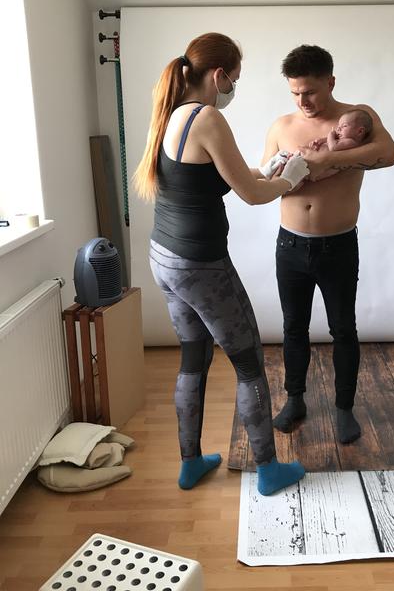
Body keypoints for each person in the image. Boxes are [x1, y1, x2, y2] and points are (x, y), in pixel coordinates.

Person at [133, 32, 309, 495]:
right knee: (249, 362)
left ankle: (190, 463)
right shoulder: (208, 117)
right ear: (218, 76)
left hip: (165, 258)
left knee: (194, 357)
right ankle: (269, 470)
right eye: (234, 79)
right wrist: (288, 180)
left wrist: (268, 168)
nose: (233, 88)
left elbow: (225, 175)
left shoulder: (172, 114)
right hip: (201, 266)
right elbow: (251, 196)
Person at [260, 44, 394, 443]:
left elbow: (389, 153)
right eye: (295, 93)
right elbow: (265, 180)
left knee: (343, 329)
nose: (302, 101)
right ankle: (294, 400)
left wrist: (328, 160)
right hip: (290, 245)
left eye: (310, 92)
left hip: (337, 245)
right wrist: (286, 173)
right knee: (293, 328)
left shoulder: (356, 119)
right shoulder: (281, 126)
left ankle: (344, 408)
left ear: (331, 82)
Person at [262, 107, 373, 182]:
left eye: (344, 126)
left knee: (293, 169)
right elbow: (331, 142)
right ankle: (271, 168)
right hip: (310, 165)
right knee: (288, 160)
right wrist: (321, 141)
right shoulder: (342, 139)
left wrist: (330, 135)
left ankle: (277, 167)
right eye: (339, 126)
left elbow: (333, 147)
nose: (338, 129)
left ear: (360, 131)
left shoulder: (351, 142)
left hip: (316, 171)